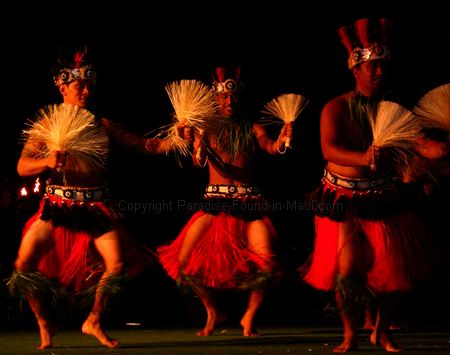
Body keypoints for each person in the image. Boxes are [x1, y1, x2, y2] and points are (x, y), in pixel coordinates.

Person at [8, 45, 190, 350]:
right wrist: (47, 163)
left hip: (95, 207)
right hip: (56, 207)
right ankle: (44, 321)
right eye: (80, 84)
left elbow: (146, 146)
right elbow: (21, 166)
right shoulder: (46, 125)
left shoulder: (102, 125)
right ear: (63, 87)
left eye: (90, 84)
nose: (87, 90)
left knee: (117, 265)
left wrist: (176, 140)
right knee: (23, 265)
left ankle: (93, 320)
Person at [300, 18, 448, 352]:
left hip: (382, 195)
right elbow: (328, 149)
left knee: (390, 270)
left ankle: (381, 331)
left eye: (383, 67)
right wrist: (363, 157)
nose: (380, 73)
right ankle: (350, 333)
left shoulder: (394, 111)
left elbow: (424, 145)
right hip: (341, 196)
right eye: (373, 67)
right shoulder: (335, 107)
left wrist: (443, 147)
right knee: (348, 269)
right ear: (356, 69)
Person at [157, 66, 293, 337]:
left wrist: (281, 141)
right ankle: (213, 311)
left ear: (239, 98)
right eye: (224, 97)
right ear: (216, 98)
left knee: (268, 263)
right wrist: (199, 147)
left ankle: (249, 316)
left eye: (233, 97)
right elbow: (199, 162)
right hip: (214, 204)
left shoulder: (252, 126)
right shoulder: (205, 128)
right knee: (182, 264)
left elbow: (269, 146)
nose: (229, 102)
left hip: (249, 205)